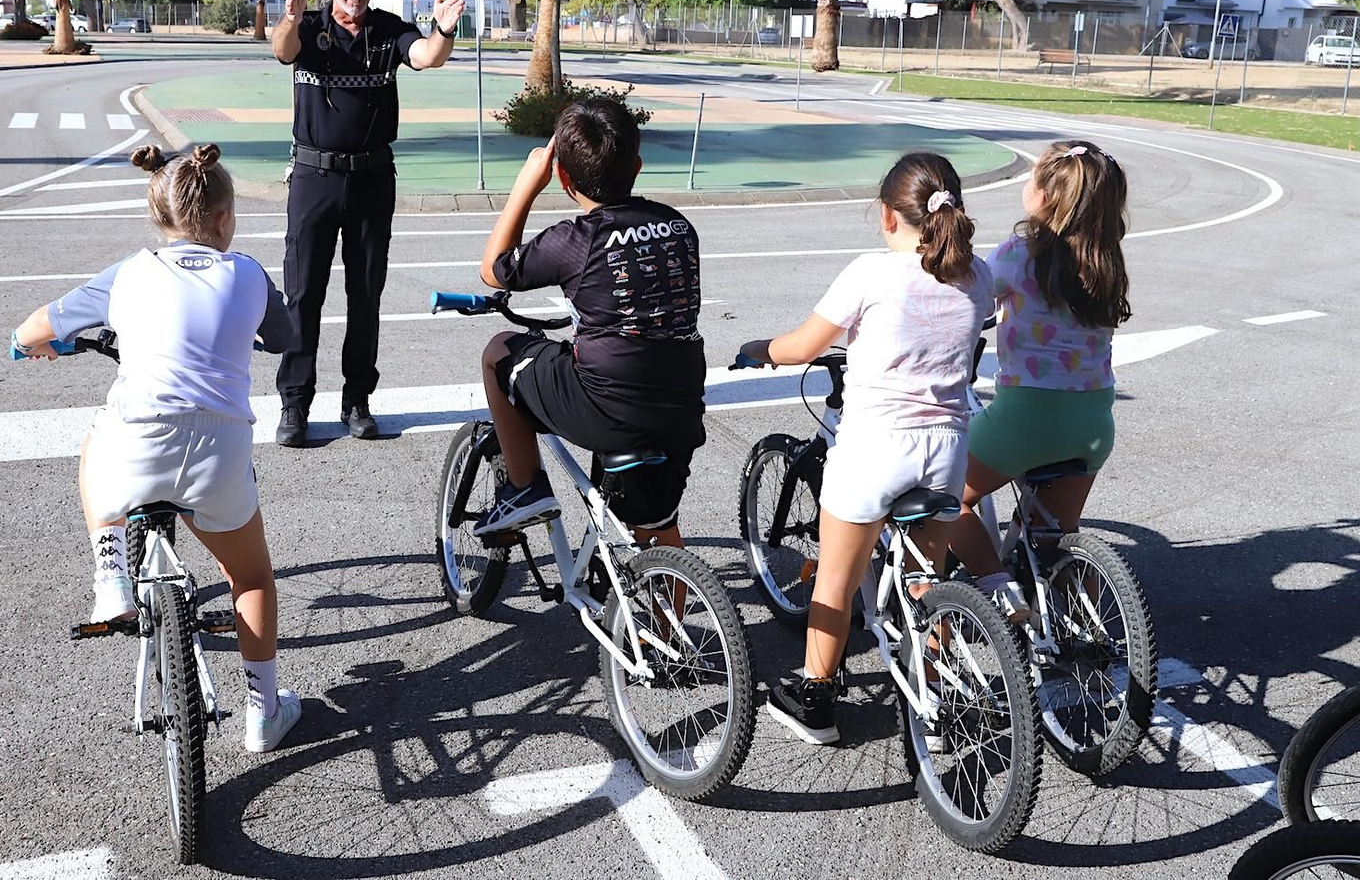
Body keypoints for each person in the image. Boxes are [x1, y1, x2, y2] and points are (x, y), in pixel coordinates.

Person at [10, 144, 303, 753]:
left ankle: (110, 576)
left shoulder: (130, 272)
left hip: (138, 446)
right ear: (225, 218)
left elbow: (38, 328)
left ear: (157, 216)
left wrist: (27, 344)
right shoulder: (247, 272)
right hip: (219, 454)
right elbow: (284, 336)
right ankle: (262, 713)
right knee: (249, 576)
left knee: (96, 445)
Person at [739, 153, 993, 746]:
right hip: (946, 449)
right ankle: (937, 705)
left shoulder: (871, 274)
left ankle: (816, 700)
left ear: (887, 216)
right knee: (929, 581)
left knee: (835, 580)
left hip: (876, 446)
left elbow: (803, 346)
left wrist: (761, 349)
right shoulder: (977, 276)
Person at [474, 97, 705, 548]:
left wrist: (526, 186)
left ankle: (524, 489)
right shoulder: (679, 226)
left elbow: (493, 269)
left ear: (562, 176)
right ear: (637, 166)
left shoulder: (574, 240)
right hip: (680, 405)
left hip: (608, 409)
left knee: (499, 350)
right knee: (657, 527)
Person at [270, 0, 466, 447]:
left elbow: (427, 56)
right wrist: (290, 17)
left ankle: (357, 400)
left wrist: (443, 29)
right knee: (303, 294)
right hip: (314, 178)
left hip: (373, 180)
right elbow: (282, 50)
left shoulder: (388, 30)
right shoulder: (308, 27)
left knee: (365, 297)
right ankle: (295, 404)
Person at [943, 140, 1131, 623]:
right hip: (1092, 420)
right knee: (1054, 533)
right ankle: (1090, 629)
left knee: (945, 500)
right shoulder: (1106, 264)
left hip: (1027, 417)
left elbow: (970, 299)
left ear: (1044, 197)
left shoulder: (1016, 255)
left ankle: (996, 586)